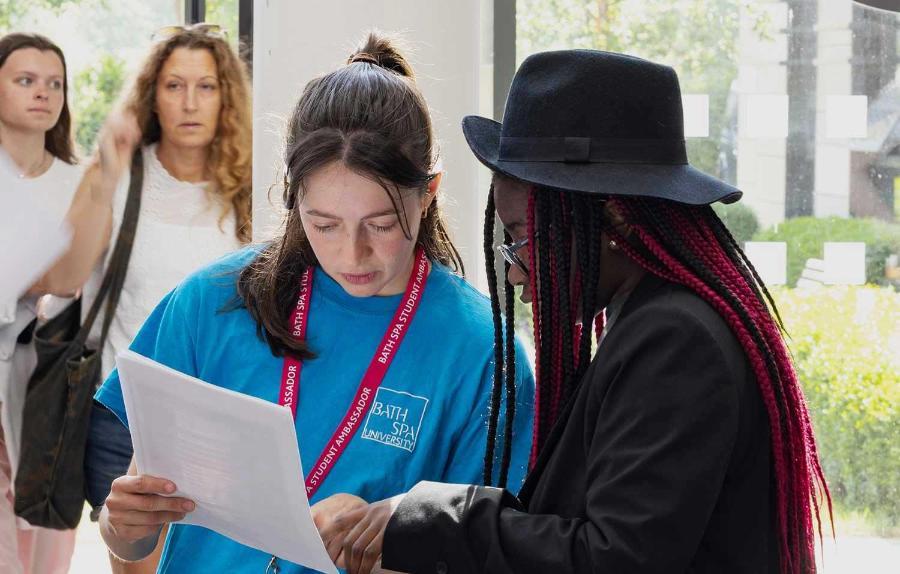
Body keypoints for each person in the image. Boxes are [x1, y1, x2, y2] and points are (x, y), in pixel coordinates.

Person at [316, 50, 832, 574]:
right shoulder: (653, 317)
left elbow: (614, 558)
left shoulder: (674, 339)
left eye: (519, 237)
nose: (514, 272)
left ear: (610, 220)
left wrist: (428, 518)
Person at [91, 33, 534, 574]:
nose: (353, 253)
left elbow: (485, 556)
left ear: (430, 191)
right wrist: (124, 527)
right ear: (292, 194)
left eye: (383, 223)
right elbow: (137, 542)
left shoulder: (485, 353)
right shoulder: (209, 304)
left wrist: (383, 547)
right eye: (324, 224)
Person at [28, 23, 253, 571]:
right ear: (153, 94)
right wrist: (103, 173)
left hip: (227, 416)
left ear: (226, 96)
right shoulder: (120, 176)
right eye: (174, 86)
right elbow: (63, 277)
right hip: (128, 415)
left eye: (206, 86)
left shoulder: (251, 185)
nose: (190, 102)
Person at [0, 32, 82, 574]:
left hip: (53, 382)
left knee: (50, 545)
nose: (42, 94)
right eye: (25, 80)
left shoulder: (81, 184)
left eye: (54, 83)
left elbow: (89, 288)